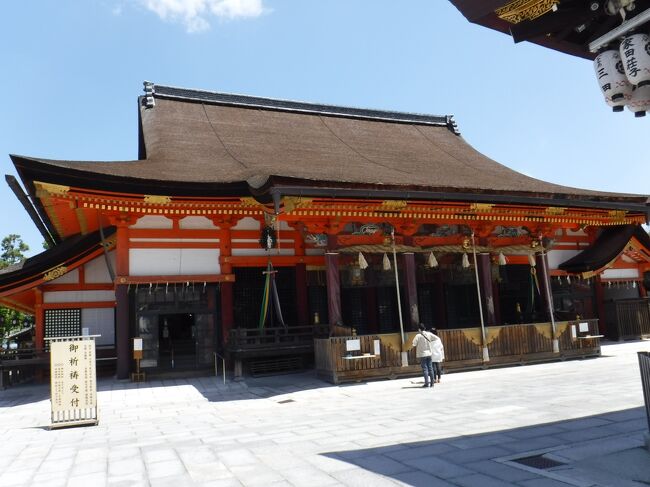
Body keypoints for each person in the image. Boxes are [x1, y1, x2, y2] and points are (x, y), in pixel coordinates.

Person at [412, 324, 435, 388]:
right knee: (430, 368)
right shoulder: (429, 334)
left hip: (422, 354)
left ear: (419, 329)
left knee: (425, 369)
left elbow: (414, 344)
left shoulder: (418, 336)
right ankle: (432, 383)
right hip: (429, 353)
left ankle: (426, 383)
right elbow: (436, 338)